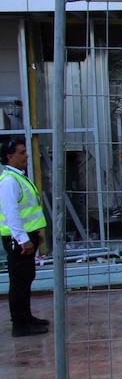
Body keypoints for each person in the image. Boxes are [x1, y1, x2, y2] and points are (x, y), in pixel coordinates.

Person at [0, 136, 50, 337]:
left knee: (26, 278)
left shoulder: (18, 177)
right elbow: (12, 214)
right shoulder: (10, 181)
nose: (27, 155)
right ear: (10, 157)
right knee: (19, 281)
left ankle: (26, 317)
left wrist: (34, 233)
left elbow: (26, 210)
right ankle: (20, 324)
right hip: (17, 240)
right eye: (22, 153)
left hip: (25, 237)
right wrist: (23, 239)